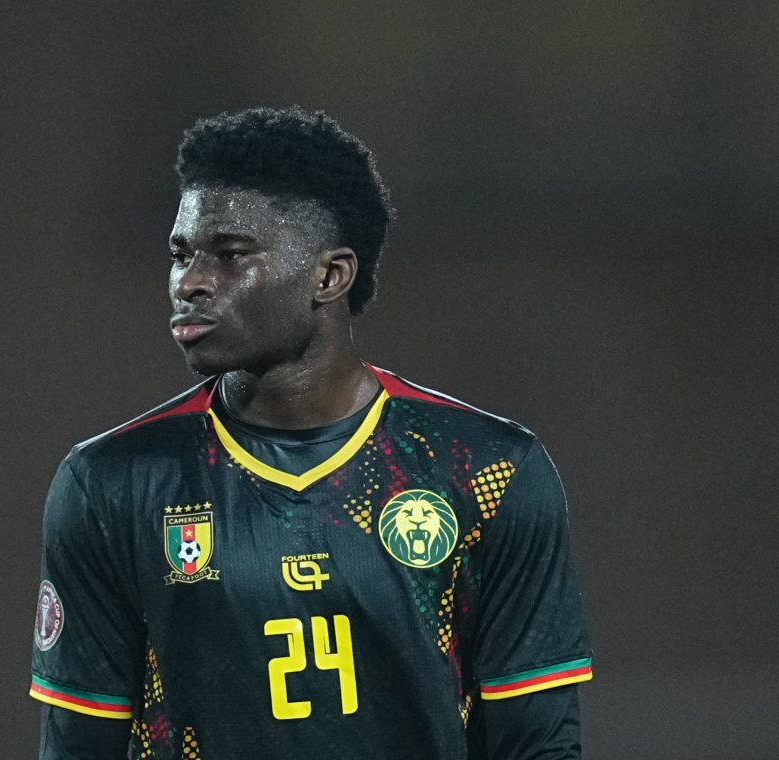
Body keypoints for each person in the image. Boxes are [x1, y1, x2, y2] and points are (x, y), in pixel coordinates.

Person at [29, 106, 592, 759]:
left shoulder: (486, 470)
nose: (191, 282)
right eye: (181, 254)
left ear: (329, 276)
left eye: (230, 255)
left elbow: (538, 744)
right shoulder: (111, 484)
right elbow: (76, 749)